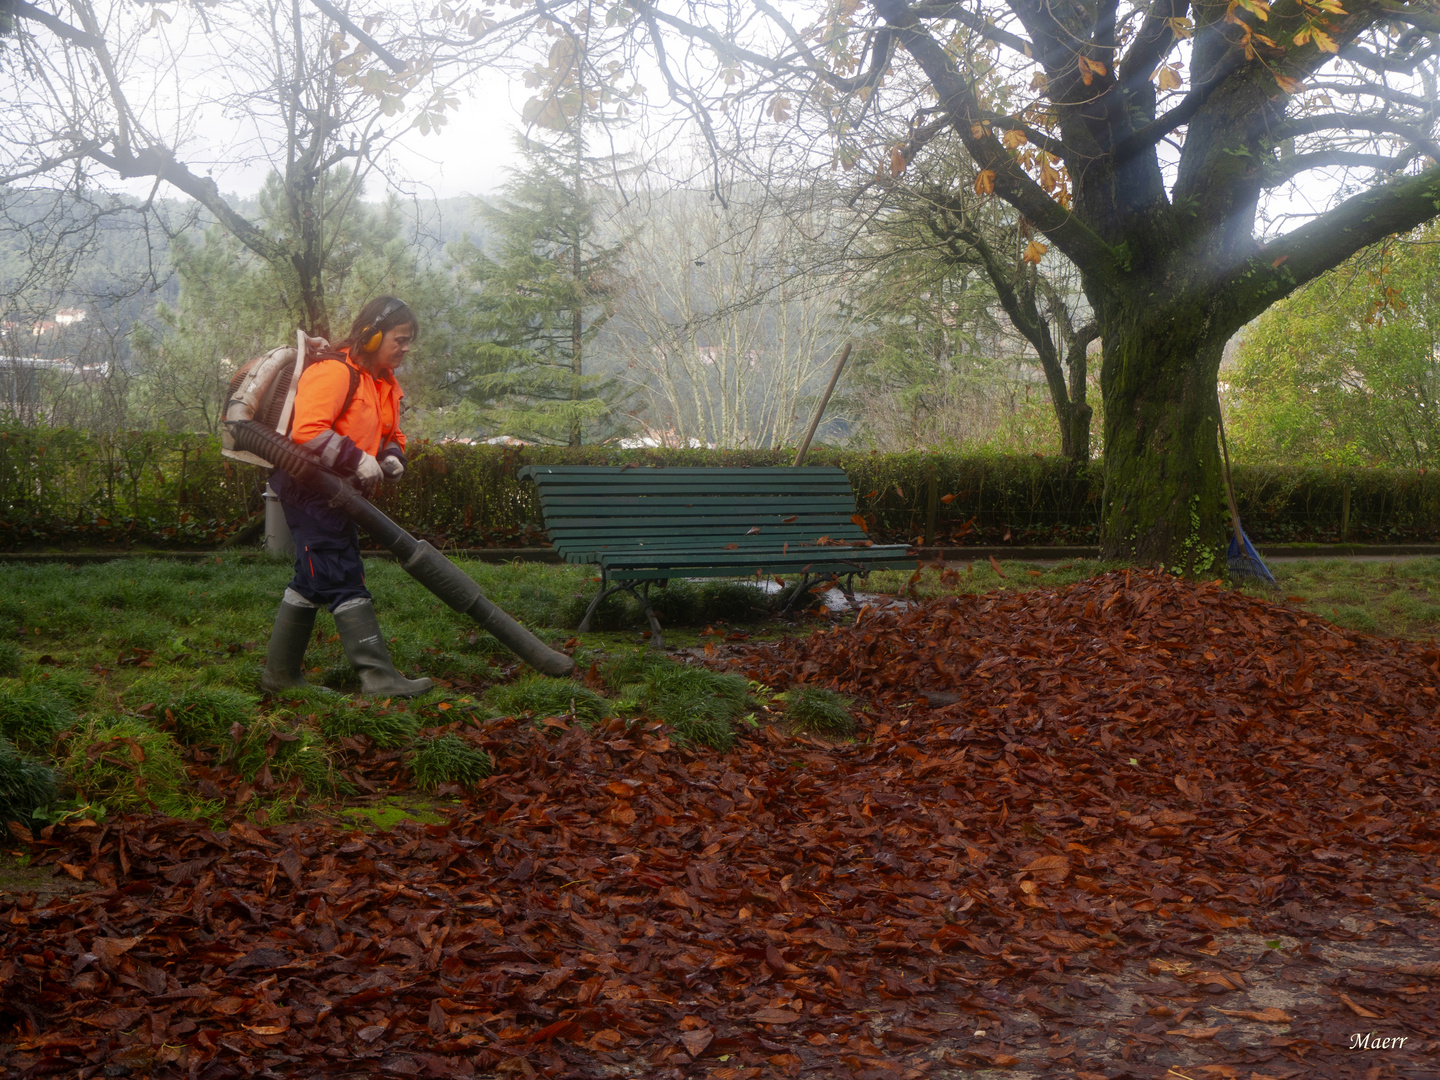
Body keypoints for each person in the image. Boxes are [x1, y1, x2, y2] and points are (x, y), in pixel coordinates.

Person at [260, 295, 433, 698]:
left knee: (312, 578)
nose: (406, 348)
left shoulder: (384, 381)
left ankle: (279, 677)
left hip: (339, 492)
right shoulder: (335, 372)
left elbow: (392, 432)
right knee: (341, 572)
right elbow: (308, 430)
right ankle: (379, 678)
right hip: (310, 487)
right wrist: (356, 457)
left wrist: (391, 456)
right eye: (401, 339)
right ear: (372, 336)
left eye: (409, 341)